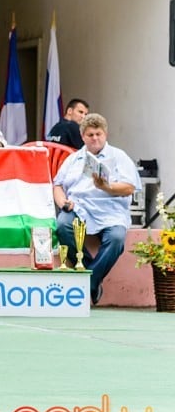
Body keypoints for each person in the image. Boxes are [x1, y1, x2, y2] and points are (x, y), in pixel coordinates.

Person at [53, 113, 140, 305]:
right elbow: (58, 185)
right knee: (62, 225)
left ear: (105, 134)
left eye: (98, 134)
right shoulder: (73, 158)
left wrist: (106, 187)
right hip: (80, 208)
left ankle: (89, 282)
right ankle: (91, 274)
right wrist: (63, 202)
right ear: (83, 136)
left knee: (116, 238)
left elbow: (129, 188)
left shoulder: (119, 156)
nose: (95, 138)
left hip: (111, 210)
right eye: (90, 134)